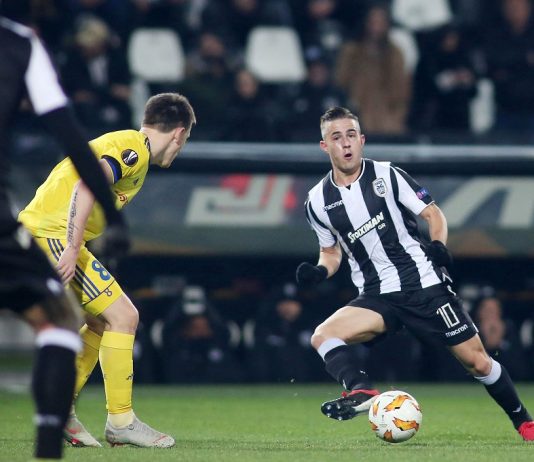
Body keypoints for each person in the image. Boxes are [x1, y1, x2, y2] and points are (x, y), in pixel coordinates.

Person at [295, 106, 534, 440]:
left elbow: (433, 214)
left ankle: (524, 422)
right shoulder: (317, 201)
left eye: (351, 135)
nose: (345, 143)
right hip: (377, 296)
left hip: (424, 287)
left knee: (478, 363)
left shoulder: (388, 175)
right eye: (336, 137)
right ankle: (361, 389)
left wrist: (438, 245)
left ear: (362, 140)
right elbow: (332, 251)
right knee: (323, 335)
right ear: (325, 146)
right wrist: (320, 271)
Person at [19, 92, 196, 448]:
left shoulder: (127, 145)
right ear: (179, 133)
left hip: (45, 232)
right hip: (52, 236)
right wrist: (72, 247)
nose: (181, 147)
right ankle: (121, 421)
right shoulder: (133, 149)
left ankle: (61, 409)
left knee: (102, 321)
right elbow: (87, 184)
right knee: (124, 317)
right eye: (186, 138)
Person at [0, 10, 129, 462]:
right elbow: (72, 137)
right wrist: (115, 218)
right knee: (58, 320)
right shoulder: (20, 43)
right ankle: (47, 448)